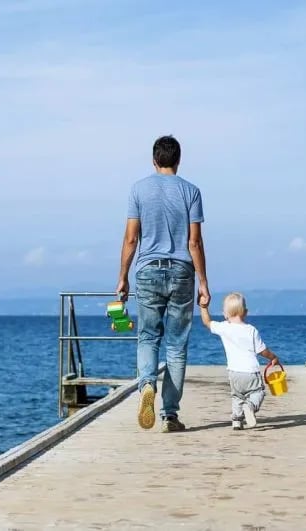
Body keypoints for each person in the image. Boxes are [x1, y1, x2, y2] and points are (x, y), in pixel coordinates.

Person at [115, 135, 210, 432]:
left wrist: (123, 277)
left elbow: (131, 238)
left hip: (147, 270)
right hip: (182, 271)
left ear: (154, 160)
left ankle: (147, 385)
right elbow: (194, 242)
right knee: (177, 345)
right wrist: (203, 283)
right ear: (178, 161)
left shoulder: (138, 190)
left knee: (147, 337)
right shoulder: (191, 192)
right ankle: (170, 415)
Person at [199, 292, 279, 430]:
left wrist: (203, 306)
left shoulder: (224, 327)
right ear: (246, 312)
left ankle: (237, 420)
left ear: (225, 314)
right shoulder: (251, 330)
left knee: (237, 396)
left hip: (234, 373)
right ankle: (250, 407)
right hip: (251, 372)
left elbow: (207, 322)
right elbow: (262, 351)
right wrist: (273, 358)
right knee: (258, 392)